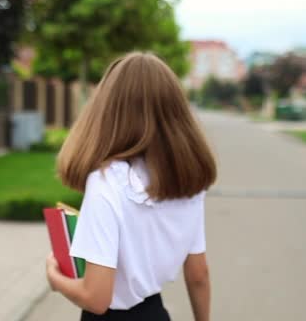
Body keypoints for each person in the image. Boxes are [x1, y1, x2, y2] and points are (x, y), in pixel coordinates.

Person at [46, 52, 216, 321]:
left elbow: (96, 298)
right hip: (155, 313)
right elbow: (198, 275)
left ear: (108, 110)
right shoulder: (186, 179)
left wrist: (56, 279)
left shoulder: (107, 182)